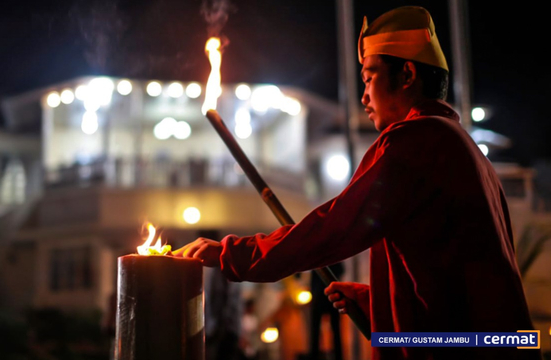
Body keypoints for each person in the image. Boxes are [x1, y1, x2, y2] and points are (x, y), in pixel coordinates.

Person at [175, 6, 541, 360]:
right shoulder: (462, 147)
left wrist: (231, 254)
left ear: (408, 75)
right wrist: (377, 302)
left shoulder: (416, 141)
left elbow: (334, 227)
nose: (364, 94)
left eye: (369, 77)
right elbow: (453, 278)